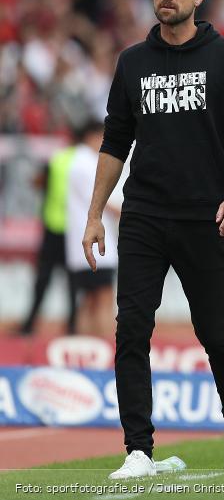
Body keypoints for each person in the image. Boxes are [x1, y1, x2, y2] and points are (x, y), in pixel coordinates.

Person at [81, 0, 224, 480]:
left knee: (213, 330)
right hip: (142, 215)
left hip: (205, 217)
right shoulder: (132, 61)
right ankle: (138, 450)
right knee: (131, 328)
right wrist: (94, 214)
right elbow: (115, 142)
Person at [66, 120, 123, 338]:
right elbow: (99, 198)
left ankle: (85, 347)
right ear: (91, 136)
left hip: (84, 241)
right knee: (103, 297)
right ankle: (102, 347)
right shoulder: (86, 162)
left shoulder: (78, 160)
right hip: (95, 243)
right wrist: (126, 213)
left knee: (90, 299)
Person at [19, 141, 78, 336]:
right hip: (73, 231)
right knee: (72, 283)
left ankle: (29, 325)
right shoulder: (84, 161)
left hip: (52, 228)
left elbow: (37, 181)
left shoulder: (57, 159)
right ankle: (71, 328)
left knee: (43, 281)